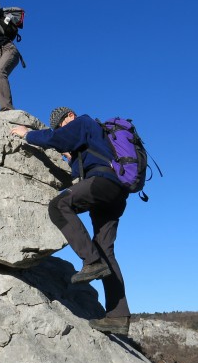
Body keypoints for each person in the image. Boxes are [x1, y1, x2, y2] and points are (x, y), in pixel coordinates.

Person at [10, 107, 131, 337]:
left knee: (58, 206)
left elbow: (56, 138)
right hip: (116, 193)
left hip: (102, 182)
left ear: (70, 117)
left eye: (61, 124)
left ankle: (91, 262)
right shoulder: (95, 138)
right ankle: (118, 316)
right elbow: (80, 162)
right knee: (106, 250)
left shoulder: (83, 122)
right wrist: (71, 158)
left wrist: (28, 134)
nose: (61, 129)